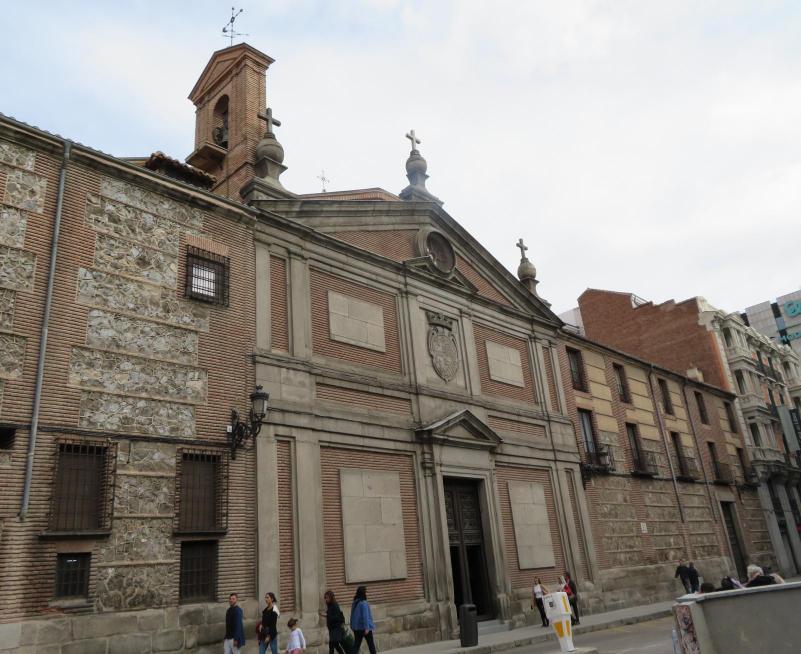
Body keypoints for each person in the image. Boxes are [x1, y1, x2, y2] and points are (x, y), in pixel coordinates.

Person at [350, 585, 377, 653]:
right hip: (364, 628)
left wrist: (352, 625)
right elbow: (365, 616)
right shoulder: (364, 603)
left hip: (356, 628)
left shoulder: (355, 602)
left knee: (356, 645)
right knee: (371, 645)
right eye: (365, 592)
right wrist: (367, 628)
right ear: (363, 593)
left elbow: (352, 614)